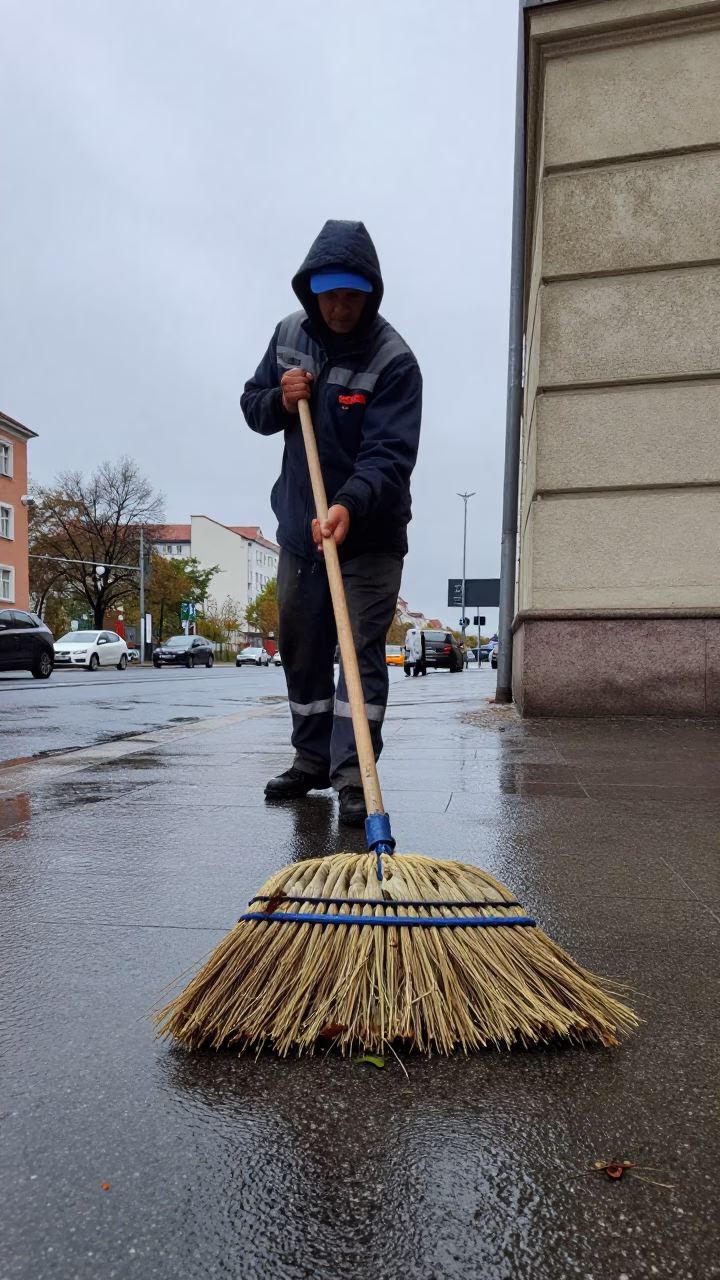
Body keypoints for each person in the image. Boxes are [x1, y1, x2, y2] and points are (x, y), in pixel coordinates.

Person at [241, 220, 422, 825]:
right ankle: (310, 762)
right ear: (311, 292)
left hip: (368, 534)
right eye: (330, 295)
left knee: (359, 650)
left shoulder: (394, 361)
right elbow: (252, 405)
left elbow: (388, 457)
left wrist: (346, 505)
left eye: (352, 295)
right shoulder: (288, 335)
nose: (341, 307)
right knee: (304, 645)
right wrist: (279, 398)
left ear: (370, 292)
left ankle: (354, 778)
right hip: (300, 529)